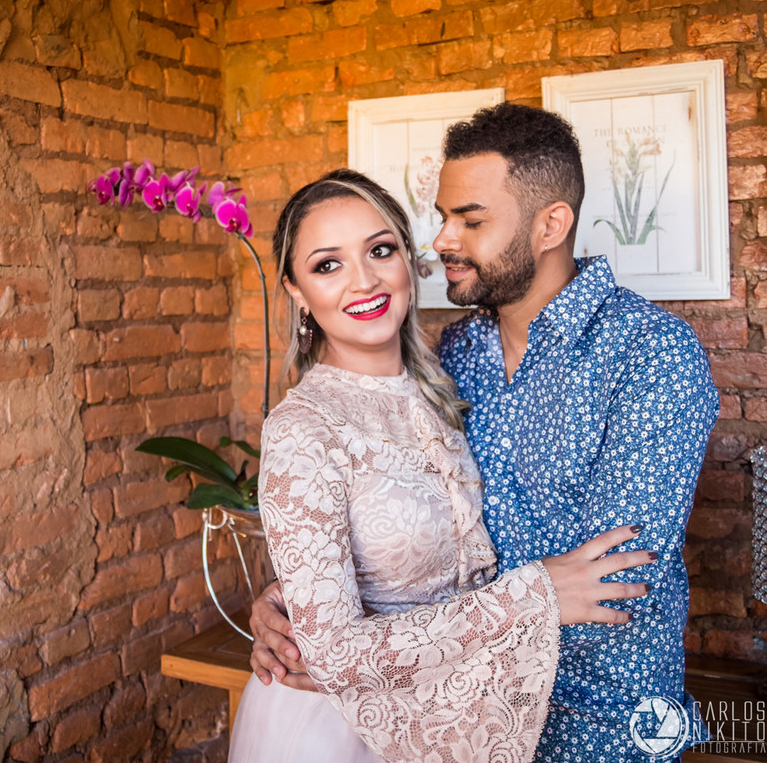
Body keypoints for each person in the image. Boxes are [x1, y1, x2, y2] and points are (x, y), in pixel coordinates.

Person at [248, 104, 718, 761]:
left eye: (470, 221)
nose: (442, 240)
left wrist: (356, 641)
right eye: (442, 217)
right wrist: (305, 602)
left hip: (597, 721)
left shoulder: (650, 354)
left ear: (551, 225)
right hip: (450, 717)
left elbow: (616, 585)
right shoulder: (456, 356)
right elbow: (423, 534)